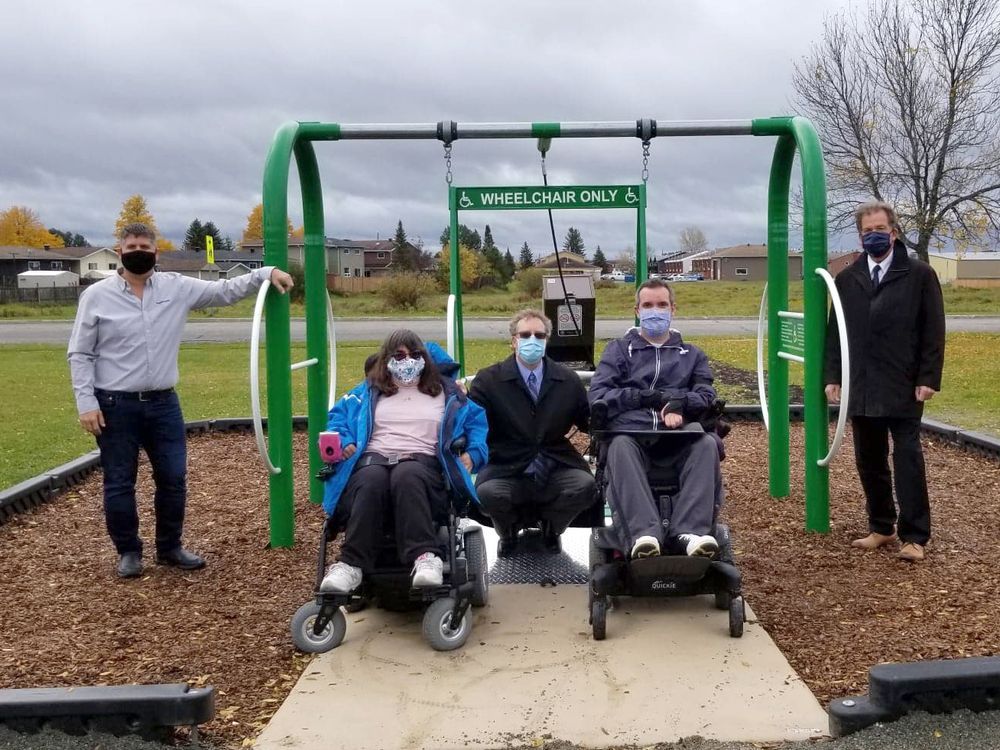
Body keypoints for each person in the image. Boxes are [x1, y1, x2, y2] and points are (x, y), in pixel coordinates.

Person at [67, 222, 294, 578]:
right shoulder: (96, 296)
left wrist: (265, 272)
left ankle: (169, 546)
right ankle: (129, 552)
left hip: (162, 404)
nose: (137, 251)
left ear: (156, 252)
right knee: (119, 480)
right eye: (131, 246)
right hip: (115, 404)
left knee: (173, 478)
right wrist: (86, 402)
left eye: (144, 245)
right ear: (120, 252)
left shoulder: (176, 287)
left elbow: (224, 290)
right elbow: (80, 353)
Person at [319, 330, 488, 593]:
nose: (407, 360)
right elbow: (338, 419)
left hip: (424, 466)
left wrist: (474, 454)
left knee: (406, 474)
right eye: (399, 355)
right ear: (386, 359)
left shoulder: (447, 392)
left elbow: (477, 422)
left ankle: (425, 557)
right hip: (372, 461)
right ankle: (351, 564)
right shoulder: (367, 392)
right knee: (370, 478)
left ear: (426, 358)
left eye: (415, 354)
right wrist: (343, 441)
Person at [825, 200, 945, 563]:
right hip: (862, 386)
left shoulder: (920, 275)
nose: (873, 237)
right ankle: (882, 526)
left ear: (893, 232)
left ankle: (914, 535)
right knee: (869, 459)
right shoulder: (847, 279)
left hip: (904, 383)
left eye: (880, 230)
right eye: (867, 232)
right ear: (860, 237)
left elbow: (933, 329)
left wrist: (928, 377)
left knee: (908, 458)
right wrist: (833, 376)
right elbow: (835, 333)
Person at [589, 279, 722, 560]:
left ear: (673, 308)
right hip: (632, 436)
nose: (655, 311)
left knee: (707, 444)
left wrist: (681, 403)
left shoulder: (692, 355)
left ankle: (689, 533)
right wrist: (646, 398)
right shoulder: (618, 351)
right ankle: (643, 535)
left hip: (679, 438)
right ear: (637, 310)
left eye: (662, 305)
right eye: (648, 305)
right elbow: (600, 394)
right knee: (619, 446)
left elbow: (705, 393)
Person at [469, 309, 593, 556]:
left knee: (585, 486)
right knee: (488, 493)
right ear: (513, 340)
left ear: (547, 340)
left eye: (539, 335)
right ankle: (507, 532)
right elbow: (474, 425)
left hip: (555, 462)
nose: (532, 340)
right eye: (525, 334)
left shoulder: (567, 380)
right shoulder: (488, 381)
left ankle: (552, 529)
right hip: (507, 464)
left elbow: (589, 421)